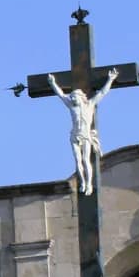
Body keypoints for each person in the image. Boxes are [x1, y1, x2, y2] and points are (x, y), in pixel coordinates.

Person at [48, 67, 116, 195]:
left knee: (85, 160)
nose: (73, 99)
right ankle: (83, 182)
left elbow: (102, 93)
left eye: (75, 97)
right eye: (72, 97)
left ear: (81, 97)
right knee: (77, 161)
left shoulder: (89, 105)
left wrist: (110, 79)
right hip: (74, 135)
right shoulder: (71, 106)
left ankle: (89, 184)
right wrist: (53, 83)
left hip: (85, 136)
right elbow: (61, 95)